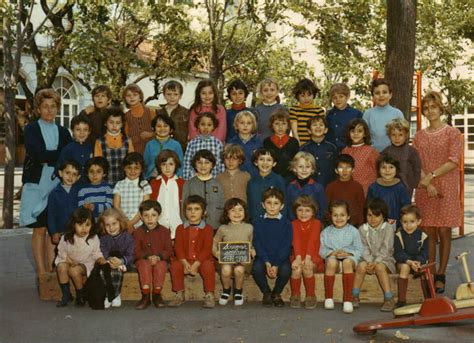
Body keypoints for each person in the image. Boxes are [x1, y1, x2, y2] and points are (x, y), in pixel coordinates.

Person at [413, 91, 462, 293]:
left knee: (444, 230)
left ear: (440, 108)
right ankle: (430, 273)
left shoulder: (452, 133)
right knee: (428, 231)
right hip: (425, 187)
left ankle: (441, 274)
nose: (429, 111)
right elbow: (416, 162)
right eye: (426, 107)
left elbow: (453, 160)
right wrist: (426, 182)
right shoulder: (419, 135)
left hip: (446, 185)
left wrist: (431, 176)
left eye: (433, 106)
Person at [20, 88, 73, 275]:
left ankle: (52, 271)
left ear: (58, 108)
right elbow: (36, 154)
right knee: (40, 228)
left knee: (54, 231)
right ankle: (42, 273)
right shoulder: (32, 129)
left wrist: (51, 158)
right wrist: (58, 157)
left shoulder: (63, 131)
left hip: (57, 183)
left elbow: (68, 157)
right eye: (45, 107)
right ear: (38, 109)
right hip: (37, 183)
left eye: (53, 106)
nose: (49, 110)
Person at [169, 195, 216, 308]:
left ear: (204, 212)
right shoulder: (180, 228)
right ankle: (179, 293)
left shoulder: (208, 229)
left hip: (201, 260)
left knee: (208, 266)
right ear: (185, 211)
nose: (192, 212)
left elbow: (206, 249)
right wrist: (185, 263)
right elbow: (178, 248)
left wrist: (196, 264)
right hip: (184, 259)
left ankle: (209, 294)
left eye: (197, 209)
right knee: (175, 265)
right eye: (189, 209)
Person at [55, 207, 105, 307]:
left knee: (74, 271)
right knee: (61, 267)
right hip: (68, 260)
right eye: (80, 224)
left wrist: (100, 258)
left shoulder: (93, 237)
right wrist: (68, 260)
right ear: (74, 224)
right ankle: (66, 295)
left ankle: (80, 295)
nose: (84, 228)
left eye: (87, 225)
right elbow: (61, 250)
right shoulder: (67, 237)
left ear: (92, 225)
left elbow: (96, 252)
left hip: (85, 263)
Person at [352, 198, 396, 312]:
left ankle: (388, 298)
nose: (372, 219)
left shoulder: (388, 228)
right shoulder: (362, 229)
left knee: (379, 267)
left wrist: (376, 262)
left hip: (386, 260)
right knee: (361, 266)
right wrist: (370, 261)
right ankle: (354, 295)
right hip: (368, 260)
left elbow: (386, 248)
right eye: (369, 215)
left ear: (383, 215)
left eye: (377, 215)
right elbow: (363, 248)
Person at [320, 200, 363, 314]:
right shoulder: (326, 232)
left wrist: (348, 253)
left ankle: (347, 300)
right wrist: (332, 253)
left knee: (347, 262)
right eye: (335, 215)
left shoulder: (354, 231)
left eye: (342, 215)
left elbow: (359, 250)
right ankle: (329, 298)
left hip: (349, 259)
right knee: (330, 263)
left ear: (348, 216)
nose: (339, 218)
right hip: (333, 259)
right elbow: (322, 250)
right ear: (330, 216)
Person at [252, 188, 292, 307]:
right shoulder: (258, 222)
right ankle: (266, 293)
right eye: (269, 203)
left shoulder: (286, 223)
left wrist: (276, 264)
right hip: (263, 256)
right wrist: (267, 262)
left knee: (285, 271)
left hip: (281, 257)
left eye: (276, 203)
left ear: (282, 205)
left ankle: (276, 293)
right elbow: (257, 243)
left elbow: (286, 245)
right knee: (257, 269)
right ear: (263, 205)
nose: (272, 207)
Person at [213, 198, 255, 306]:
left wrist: (252, 250)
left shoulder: (249, 228)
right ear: (227, 213)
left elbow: (252, 243)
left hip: (243, 261)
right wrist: (216, 253)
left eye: (240, 210)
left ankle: (238, 292)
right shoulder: (223, 228)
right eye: (233, 210)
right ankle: (226, 290)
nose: (237, 213)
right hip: (226, 260)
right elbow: (215, 242)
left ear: (245, 212)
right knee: (226, 269)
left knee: (239, 269)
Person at [134, 200, 173, 310]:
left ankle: (156, 294)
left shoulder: (165, 231)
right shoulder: (137, 232)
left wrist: (159, 257)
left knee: (161, 266)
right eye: (146, 215)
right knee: (144, 265)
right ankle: (145, 296)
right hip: (143, 259)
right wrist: (147, 257)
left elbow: (169, 250)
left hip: (160, 259)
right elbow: (136, 251)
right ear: (141, 217)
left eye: (153, 215)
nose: (150, 219)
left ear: (159, 216)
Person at [289, 195, 323, 310]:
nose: (303, 213)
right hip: (298, 254)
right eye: (300, 210)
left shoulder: (316, 223)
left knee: (307, 268)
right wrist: (298, 258)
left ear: (313, 212)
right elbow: (296, 241)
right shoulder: (293, 224)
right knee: (296, 269)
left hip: (313, 256)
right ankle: (295, 295)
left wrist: (308, 258)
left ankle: (310, 295)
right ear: (295, 211)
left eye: (307, 210)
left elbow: (312, 242)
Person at [99, 208, 135, 308]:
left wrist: (121, 261)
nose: (111, 228)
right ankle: (107, 294)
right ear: (103, 226)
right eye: (107, 225)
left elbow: (131, 255)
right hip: (109, 261)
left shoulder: (127, 237)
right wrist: (109, 259)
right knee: (102, 271)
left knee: (116, 270)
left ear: (121, 222)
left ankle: (115, 294)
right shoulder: (104, 238)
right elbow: (103, 251)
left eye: (114, 223)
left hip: (125, 263)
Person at [394, 205, 429, 307]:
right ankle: (402, 300)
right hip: (404, 262)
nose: (408, 225)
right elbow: (398, 253)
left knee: (424, 269)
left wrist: (418, 262)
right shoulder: (399, 235)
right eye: (405, 222)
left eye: (412, 221)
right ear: (401, 222)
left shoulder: (424, 236)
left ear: (419, 221)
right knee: (405, 267)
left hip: (417, 262)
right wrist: (409, 261)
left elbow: (425, 253)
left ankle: (429, 299)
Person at [183, 149, 225, 230]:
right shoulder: (189, 184)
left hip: (215, 226)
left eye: (207, 162)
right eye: (199, 163)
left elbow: (222, 205)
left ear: (212, 165)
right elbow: (184, 207)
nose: (203, 166)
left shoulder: (218, 184)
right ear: (195, 165)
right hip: (194, 226)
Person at [367, 154, 411, 227]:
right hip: (376, 224)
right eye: (383, 167)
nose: (387, 170)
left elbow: (406, 208)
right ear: (378, 170)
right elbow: (369, 208)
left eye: (391, 167)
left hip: (396, 224)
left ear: (396, 169)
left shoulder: (401, 188)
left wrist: (402, 225)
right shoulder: (373, 187)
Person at [94, 107, 134, 186]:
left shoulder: (127, 141)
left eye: (118, 123)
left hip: (124, 182)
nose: (114, 125)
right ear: (105, 123)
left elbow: (131, 162)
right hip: (106, 182)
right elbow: (98, 164)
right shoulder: (99, 141)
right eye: (111, 122)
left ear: (122, 124)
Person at [149, 150, 184, 239]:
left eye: (171, 164)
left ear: (176, 165)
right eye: (164, 164)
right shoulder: (154, 183)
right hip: (159, 225)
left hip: (177, 225)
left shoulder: (182, 183)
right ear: (159, 166)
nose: (167, 168)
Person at [113, 152, 152, 231]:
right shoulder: (119, 184)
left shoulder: (145, 184)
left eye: (136, 168)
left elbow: (144, 207)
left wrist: (132, 223)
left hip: (140, 224)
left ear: (141, 169)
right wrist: (126, 222)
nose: (132, 171)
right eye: (129, 167)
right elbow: (116, 206)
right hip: (122, 222)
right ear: (124, 168)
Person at [383, 118, 421, 197]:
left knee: (405, 208)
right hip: (389, 187)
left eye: (400, 135)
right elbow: (380, 168)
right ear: (389, 136)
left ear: (406, 135)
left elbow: (417, 168)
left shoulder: (412, 151)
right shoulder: (386, 152)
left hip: (407, 187)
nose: (397, 138)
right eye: (393, 135)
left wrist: (414, 184)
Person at [362, 79, 404, 152]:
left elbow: (402, 135)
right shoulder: (368, 114)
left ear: (390, 95)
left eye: (384, 92)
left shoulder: (397, 113)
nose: (381, 95)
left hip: (393, 154)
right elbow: (364, 137)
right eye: (377, 93)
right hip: (372, 154)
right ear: (373, 96)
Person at [247, 148, 287, 221]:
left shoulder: (279, 180)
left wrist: (281, 220)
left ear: (274, 163)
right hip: (255, 221)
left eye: (269, 160)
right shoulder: (251, 182)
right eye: (261, 159)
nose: (265, 163)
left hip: (274, 221)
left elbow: (284, 203)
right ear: (256, 162)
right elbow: (250, 204)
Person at [325, 154, 365, 227]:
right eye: (341, 168)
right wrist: (331, 222)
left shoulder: (357, 186)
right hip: (335, 224)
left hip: (354, 224)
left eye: (348, 168)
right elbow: (327, 207)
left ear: (353, 170)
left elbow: (361, 207)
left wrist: (360, 224)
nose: (344, 171)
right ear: (336, 170)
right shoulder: (330, 187)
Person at [182, 112, 225, 180]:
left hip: (213, 180)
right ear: (198, 126)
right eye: (202, 124)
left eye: (209, 125)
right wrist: (187, 179)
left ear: (213, 126)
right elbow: (187, 163)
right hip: (195, 181)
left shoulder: (218, 144)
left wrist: (220, 180)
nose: (206, 127)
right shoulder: (192, 144)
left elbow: (221, 164)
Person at [341, 118, 379, 195]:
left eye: (359, 131)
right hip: (349, 188)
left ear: (365, 133)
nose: (356, 134)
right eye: (353, 131)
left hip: (367, 189)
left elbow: (377, 171)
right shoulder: (345, 151)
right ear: (349, 133)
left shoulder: (371, 151)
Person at [47, 159, 81, 245]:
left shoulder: (81, 191)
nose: (70, 177)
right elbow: (51, 214)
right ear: (60, 173)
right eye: (67, 173)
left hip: (79, 232)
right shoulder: (54, 193)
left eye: (74, 174)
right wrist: (53, 231)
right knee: (63, 255)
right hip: (62, 232)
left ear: (78, 177)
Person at [286, 152, 327, 221]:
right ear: (294, 168)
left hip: (313, 224)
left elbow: (322, 209)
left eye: (307, 167)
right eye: (300, 166)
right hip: (295, 224)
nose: (304, 170)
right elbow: (288, 208)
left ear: (312, 169)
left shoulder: (318, 188)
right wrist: (294, 221)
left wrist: (316, 222)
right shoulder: (290, 187)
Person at [300, 115, 338, 187]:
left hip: (329, 186)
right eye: (314, 125)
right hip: (309, 187)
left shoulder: (332, 148)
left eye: (321, 125)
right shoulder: (303, 149)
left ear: (326, 130)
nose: (318, 127)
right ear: (309, 130)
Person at [263, 109, 300, 180]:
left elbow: (296, 161)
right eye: (277, 124)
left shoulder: (294, 142)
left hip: (290, 178)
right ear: (271, 125)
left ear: (288, 126)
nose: (280, 127)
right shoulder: (267, 141)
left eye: (283, 124)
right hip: (271, 177)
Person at [143, 114, 183, 179]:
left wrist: (178, 176)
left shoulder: (176, 145)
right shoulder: (149, 145)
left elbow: (181, 164)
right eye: (159, 126)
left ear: (171, 129)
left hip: (172, 178)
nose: (162, 128)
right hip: (153, 177)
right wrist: (145, 178)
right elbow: (145, 164)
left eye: (165, 126)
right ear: (153, 128)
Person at [325, 83, 363, 151]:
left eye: (341, 96)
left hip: (351, 149)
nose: (338, 100)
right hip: (332, 151)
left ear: (347, 97)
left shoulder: (356, 114)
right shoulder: (329, 115)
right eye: (335, 98)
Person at [289, 78, 325, 145]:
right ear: (298, 96)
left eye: (309, 95)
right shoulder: (294, 110)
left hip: (315, 144)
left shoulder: (319, 110)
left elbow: (320, 130)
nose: (306, 98)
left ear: (313, 95)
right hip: (300, 144)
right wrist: (298, 145)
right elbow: (294, 131)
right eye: (302, 96)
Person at [56, 114, 93, 179]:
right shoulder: (67, 149)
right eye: (78, 129)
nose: (82, 133)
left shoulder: (92, 148)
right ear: (72, 130)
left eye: (85, 130)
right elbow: (59, 168)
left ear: (89, 131)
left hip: (88, 185)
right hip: (72, 185)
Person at [123, 83, 156, 155]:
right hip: (135, 150)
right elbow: (126, 135)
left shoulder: (151, 112)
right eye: (128, 96)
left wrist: (151, 134)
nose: (132, 97)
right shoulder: (125, 116)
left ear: (140, 97)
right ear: (125, 99)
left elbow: (159, 130)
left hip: (151, 149)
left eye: (135, 95)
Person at [156, 80, 189, 152]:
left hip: (181, 149)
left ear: (180, 96)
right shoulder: (158, 112)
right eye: (169, 94)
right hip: (162, 148)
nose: (172, 97)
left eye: (175, 94)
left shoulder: (186, 112)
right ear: (164, 95)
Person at [227, 110, 262, 177]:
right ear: (236, 125)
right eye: (242, 123)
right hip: (236, 178)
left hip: (254, 177)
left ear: (253, 126)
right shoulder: (231, 143)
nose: (245, 125)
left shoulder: (258, 142)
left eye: (249, 123)